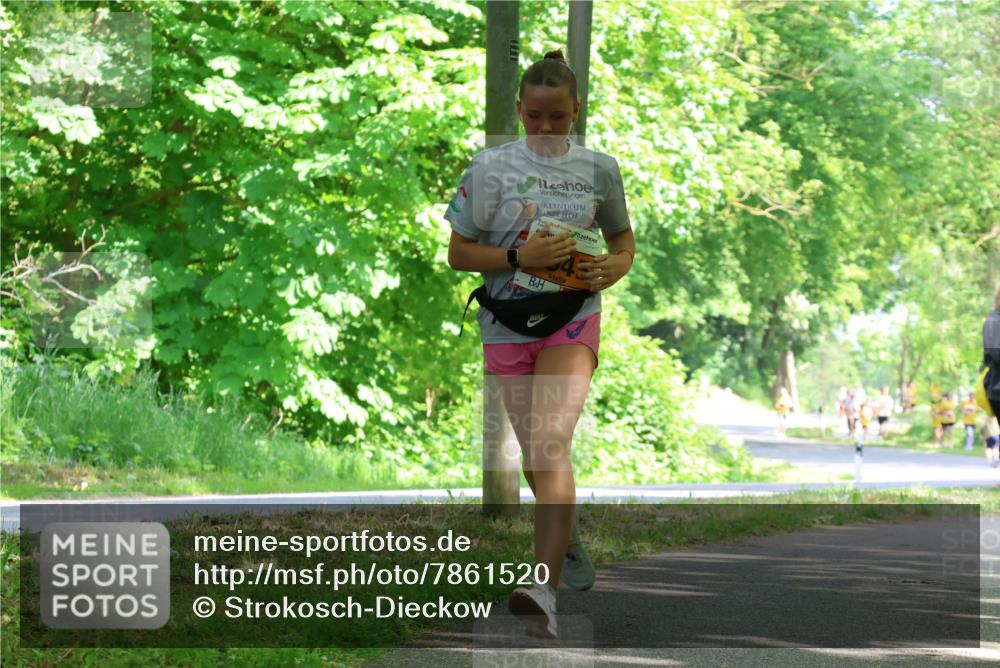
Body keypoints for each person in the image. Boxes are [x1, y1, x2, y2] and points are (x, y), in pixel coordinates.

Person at [446, 49, 634, 639]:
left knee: (550, 443)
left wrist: (614, 268)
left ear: (576, 111)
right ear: (519, 112)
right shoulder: (488, 169)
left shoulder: (600, 169)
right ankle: (567, 535)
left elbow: (622, 242)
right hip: (505, 323)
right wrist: (515, 257)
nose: (546, 128)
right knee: (537, 456)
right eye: (534, 117)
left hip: (572, 318)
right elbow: (458, 255)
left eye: (558, 117)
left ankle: (543, 588)